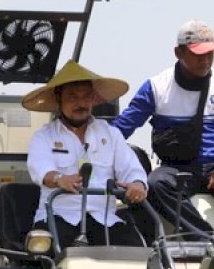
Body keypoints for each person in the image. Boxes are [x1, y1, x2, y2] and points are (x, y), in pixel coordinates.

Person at [112, 20, 214, 238]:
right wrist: (87, 140)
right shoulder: (156, 87)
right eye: (198, 55)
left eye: (210, 54)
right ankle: (208, 241)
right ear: (178, 52)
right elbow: (120, 130)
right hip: (177, 170)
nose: (205, 61)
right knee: (155, 184)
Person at [23, 60, 148, 251]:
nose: (81, 104)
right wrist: (59, 179)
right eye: (72, 97)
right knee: (43, 254)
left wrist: (137, 185)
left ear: (94, 99)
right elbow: (41, 170)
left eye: (86, 97)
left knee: (137, 252)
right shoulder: (43, 136)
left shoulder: (111, 134)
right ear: (58, 99)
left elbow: (132, 170)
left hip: (103, 219)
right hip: (58, 217)